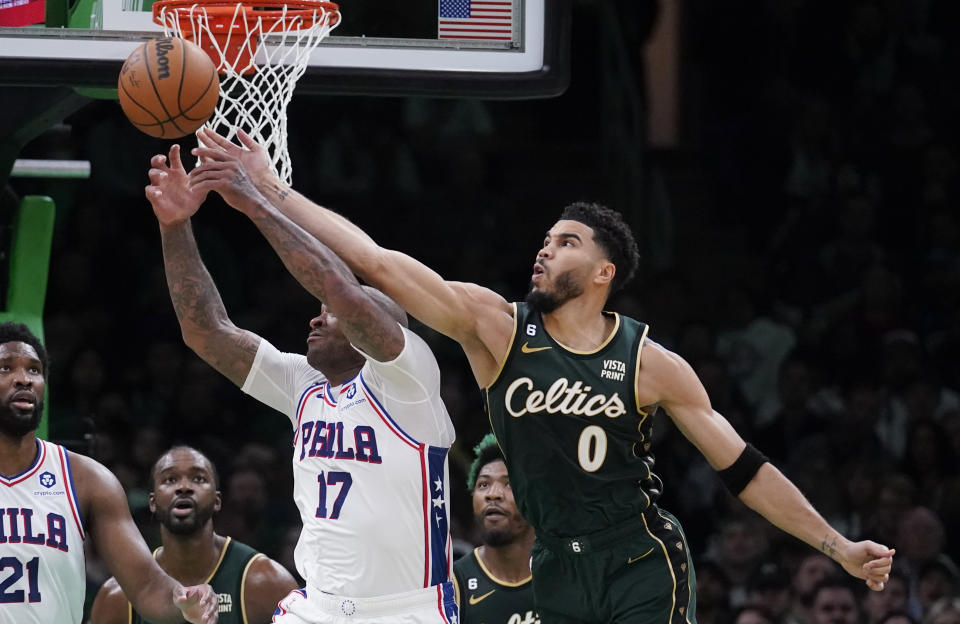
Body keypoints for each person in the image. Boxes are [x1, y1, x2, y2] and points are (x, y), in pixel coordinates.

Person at [188, 128, 895, 623]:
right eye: (546, 238)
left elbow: (744, 469)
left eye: (566, 243)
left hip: (639, 556)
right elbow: (375, 262)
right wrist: (276, 191)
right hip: (554, 561)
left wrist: (836, 546)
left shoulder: (651, 363)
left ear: (602, 273)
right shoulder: (496, 328)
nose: (544, 249)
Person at [143, 144, 458, 624]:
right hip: (317, 607)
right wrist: (175, 225)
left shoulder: (407, 378)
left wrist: (254, 200)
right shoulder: (304, 384)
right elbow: (205, 330)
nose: (316, 317)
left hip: (404, 611)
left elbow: (339, 289)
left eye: (329, 315)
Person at [0, 322, 218, 624]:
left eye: (34, 370)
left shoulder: (86, 479)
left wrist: (183, 601)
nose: (24, 379)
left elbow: (146, 584)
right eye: (6, 368)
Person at [89, 445, 298, 623]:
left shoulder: (267, 583)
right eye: (170, 480)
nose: (184, 487)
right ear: (152, 502)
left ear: (217, 501)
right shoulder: (118, 596)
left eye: (198, 479)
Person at [454, 433, 537, 624]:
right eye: (483, 484)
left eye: (509, 484)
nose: (493, 494)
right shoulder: (455, 584)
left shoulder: (563, 571)